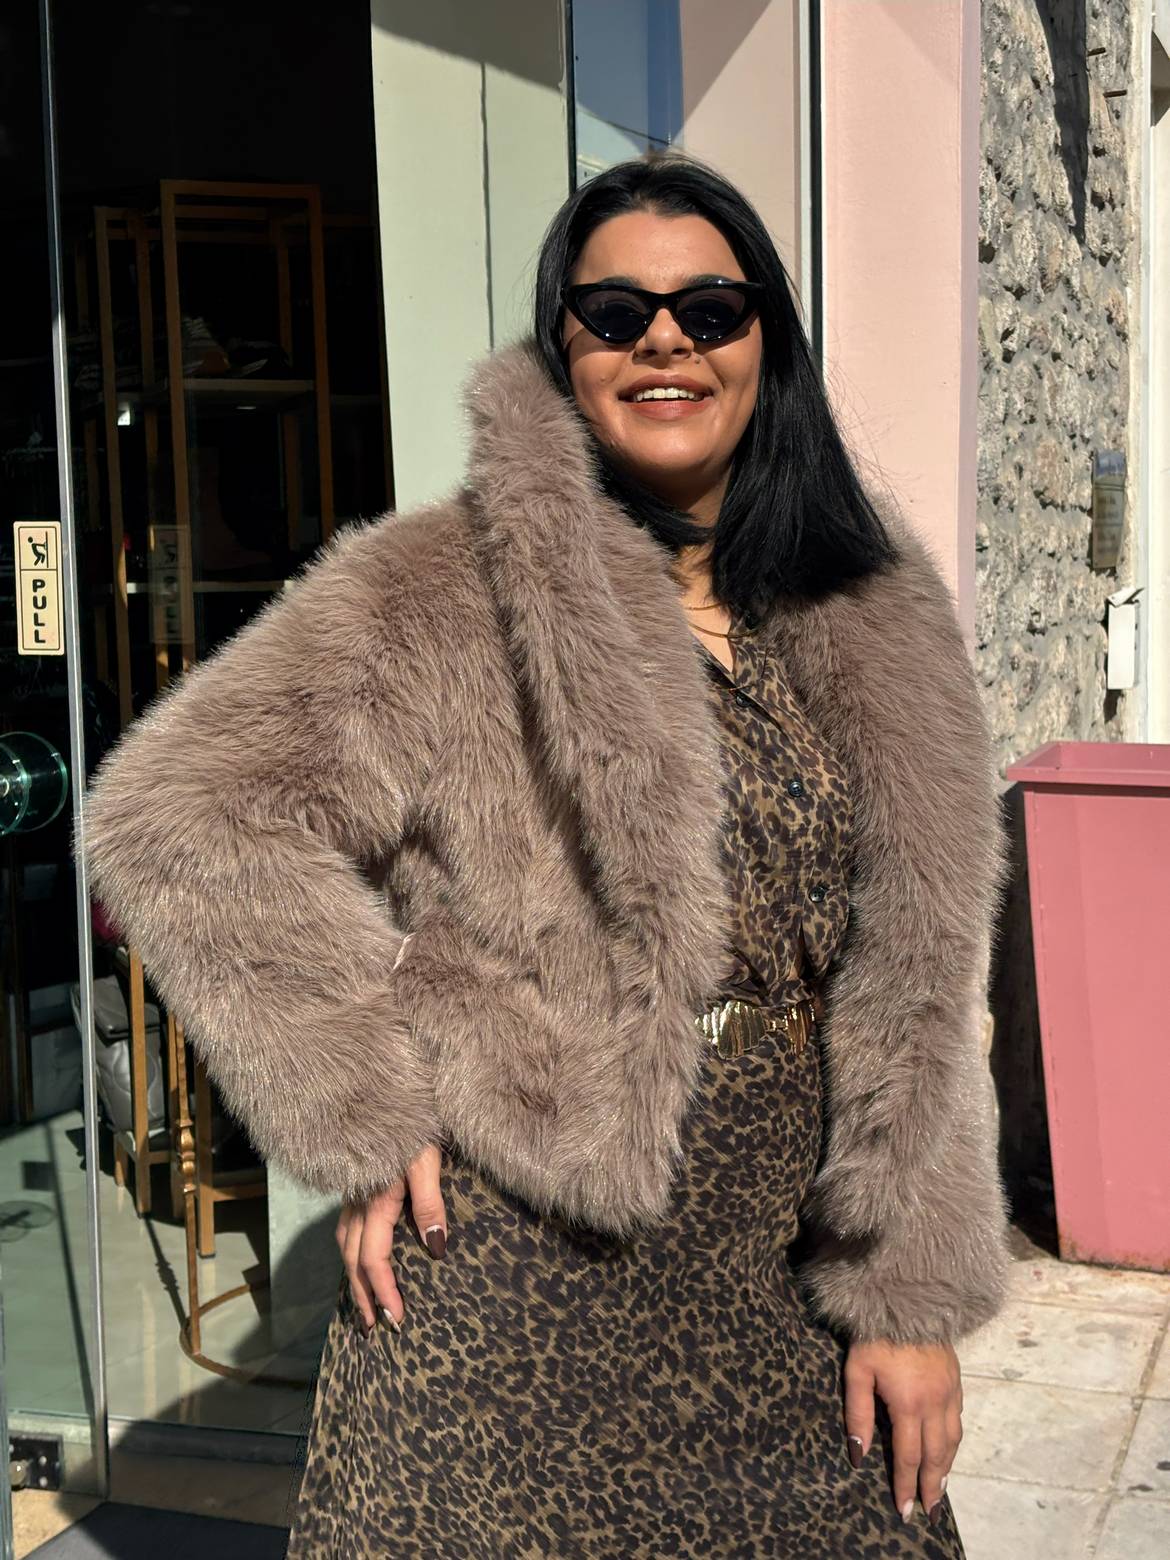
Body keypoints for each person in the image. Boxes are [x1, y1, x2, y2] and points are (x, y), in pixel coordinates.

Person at [80, 153, 1010, 1557]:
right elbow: (181, 817)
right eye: (615, 313)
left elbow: (923, 973)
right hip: (519, 1276)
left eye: (710, 308)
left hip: (793, 1279)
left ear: (765, 340)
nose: (664, 342)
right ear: (561, 350)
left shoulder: (871, 602)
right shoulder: (440, 589)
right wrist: (367, 1100)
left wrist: (909, 1290)